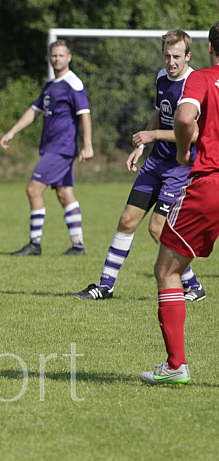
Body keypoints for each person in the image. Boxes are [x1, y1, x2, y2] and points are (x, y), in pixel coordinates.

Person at [74, 29, 205, 302]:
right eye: (167, 55)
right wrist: (141, 146)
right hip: (155, 162)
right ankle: (105, 286)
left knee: (157, 229)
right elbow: (160, 112)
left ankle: (194, 285)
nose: (171, 62)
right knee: (126, 220)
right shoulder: (161, 77)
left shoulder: (194, 84)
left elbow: (191, 135)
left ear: (188, 56)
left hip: (179, 168)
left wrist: (152, 136)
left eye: (177, 56)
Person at [140, 21, 219, 386]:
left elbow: (186, 117)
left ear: (208, 48)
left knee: (168, 269)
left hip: (210, 184)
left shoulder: (202, 79)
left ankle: (176, 365)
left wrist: (186, 149)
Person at [0, 39, 93, 256]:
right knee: (64, 192)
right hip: (52, 147)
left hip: (62, 148)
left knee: (33, 189)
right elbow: (33, 111)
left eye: (61, 55)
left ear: (68, 58)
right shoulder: (51, 85)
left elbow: (85, 114)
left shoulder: (73, 83)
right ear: (50, 58)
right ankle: (78, 246)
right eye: (54, 55)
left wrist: (88, 145)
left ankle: (35, 244)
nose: (57, 59)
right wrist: (11, 132)